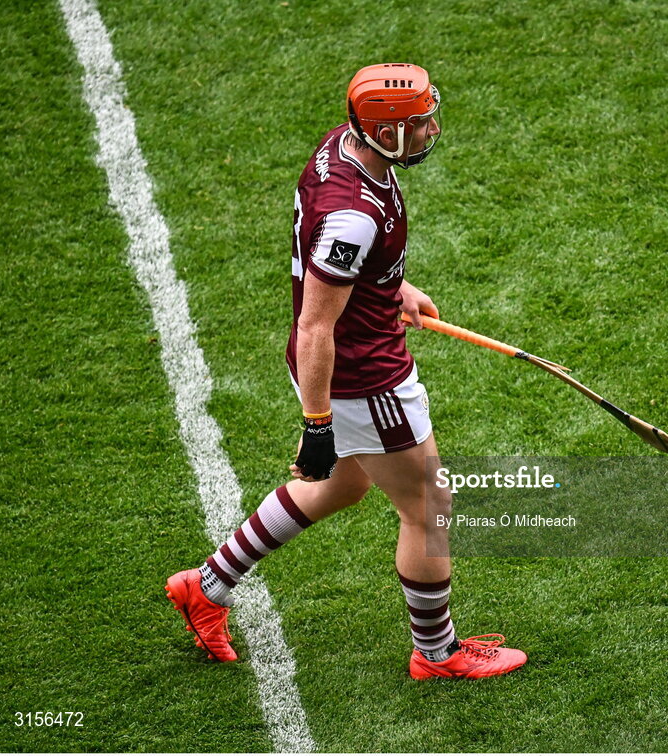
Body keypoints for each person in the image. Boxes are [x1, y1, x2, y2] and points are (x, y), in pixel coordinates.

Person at [166, 63, 527, 680]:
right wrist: (317, 424)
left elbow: (330, 259)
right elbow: (316, 325)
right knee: (428, 506)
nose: (432, 129)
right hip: (362, 376)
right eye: (419, 124)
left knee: (345, 485)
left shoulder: (344, 146)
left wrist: (392, 285)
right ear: (386, 133)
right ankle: (436, 654)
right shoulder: (353, 215)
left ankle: (206, 586)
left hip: (344, 359)